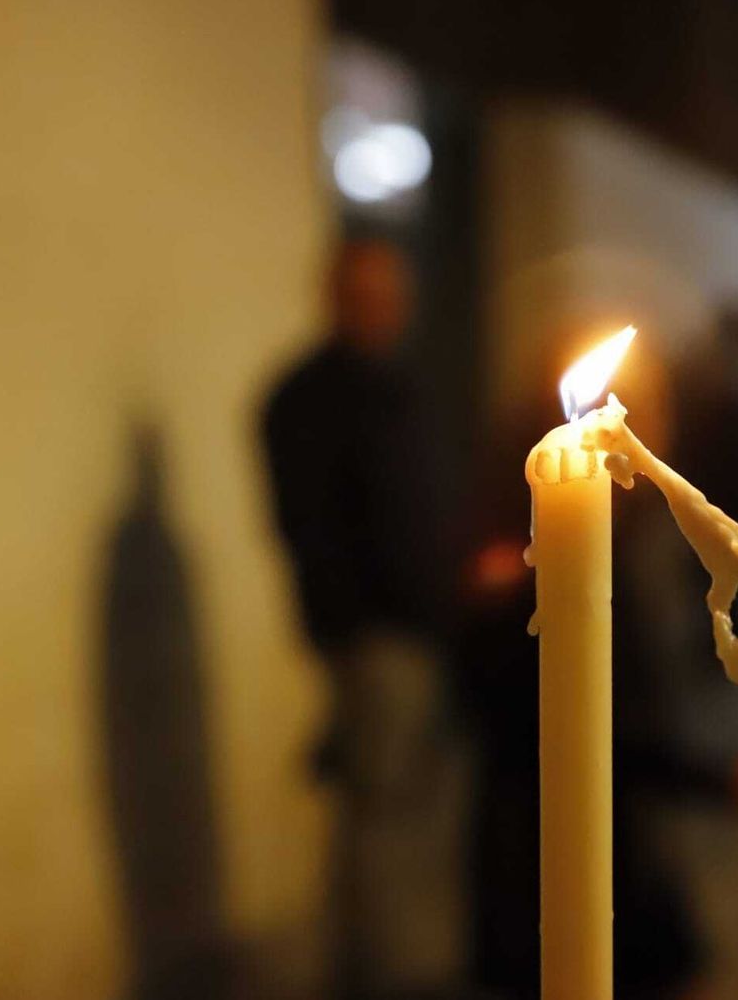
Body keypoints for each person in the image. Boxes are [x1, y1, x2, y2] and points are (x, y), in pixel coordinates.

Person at [258, 239, 461, 999]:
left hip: (421, 629)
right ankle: (390, 974)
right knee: (382, 807)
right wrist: (362, 622)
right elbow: (311, 530)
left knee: (404, 801)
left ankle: (381, 962)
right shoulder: (306, 399)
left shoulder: (399, 385)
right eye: (368, 293)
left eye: (393, 294)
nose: (385, 308)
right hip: (375, 635)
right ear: (335, 296)